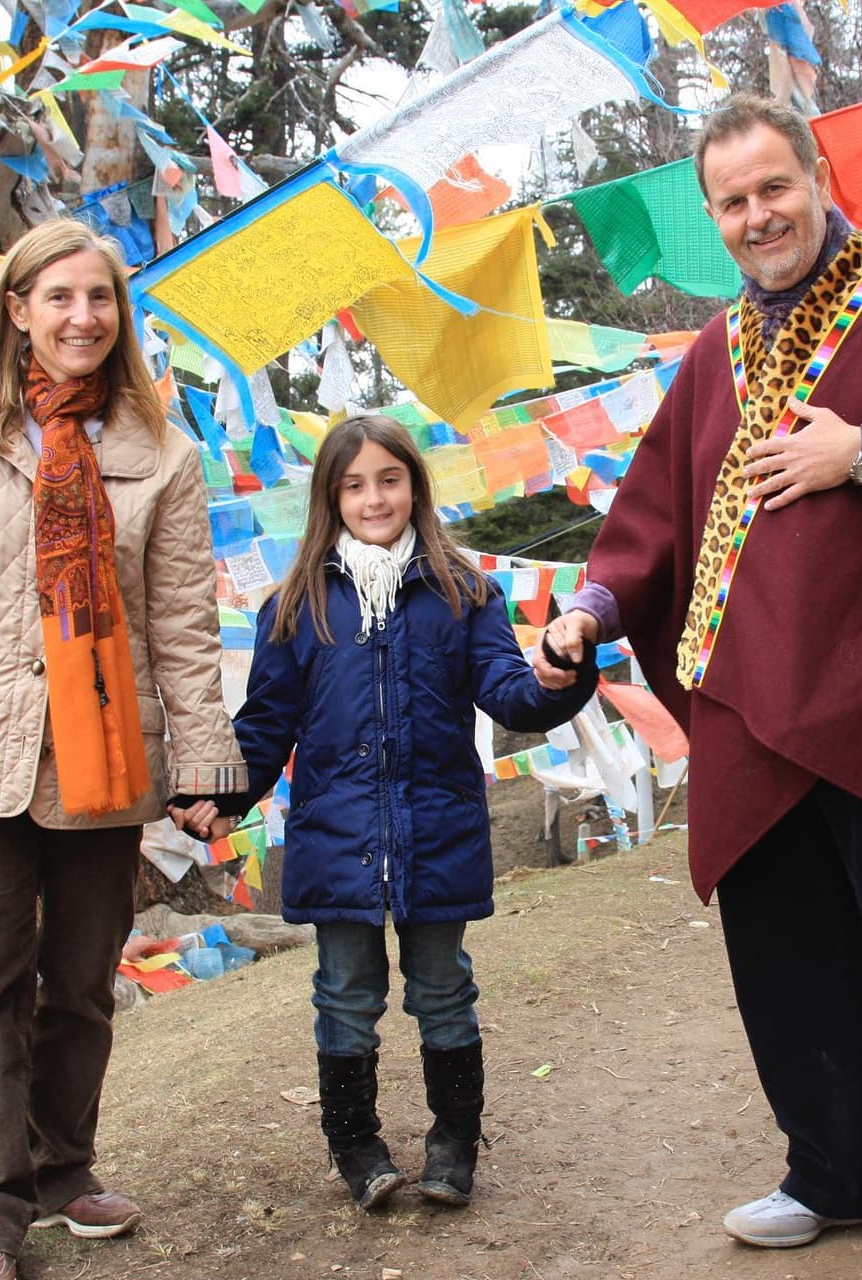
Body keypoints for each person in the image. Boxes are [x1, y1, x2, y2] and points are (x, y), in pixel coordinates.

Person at [534, 95, 862, 1280]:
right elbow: (650, 520)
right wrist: (588, 608)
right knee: (786, 960)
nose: (755, 216)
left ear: (816, 175)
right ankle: (832, 1172)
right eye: (730, 202)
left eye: (771, 187)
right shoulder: (714, 350)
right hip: (754, 711)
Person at [0, 219, 248, 1280]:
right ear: (18, 309)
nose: (82, 316)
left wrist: (206, 765)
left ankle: (61, 1167)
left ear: (118, 315)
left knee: (80, 980)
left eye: (100, 298)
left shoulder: (159, 450)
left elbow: (179, 618)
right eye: (60, 297)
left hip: (106, 753)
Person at [175, 414, 598, 1212]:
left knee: (442, 987)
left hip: (437, 834)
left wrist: (556, 678)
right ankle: (355, 1143)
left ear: (415, 485)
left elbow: (509, 690)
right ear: (332, 499)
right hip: (337, 839)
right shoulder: (296, 605)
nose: (374, 498)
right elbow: (266, 724)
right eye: (355, 484)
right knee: (345, 990)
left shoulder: (465, 593)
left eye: (389, 480)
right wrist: (227, 793)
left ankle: (453, 1143)